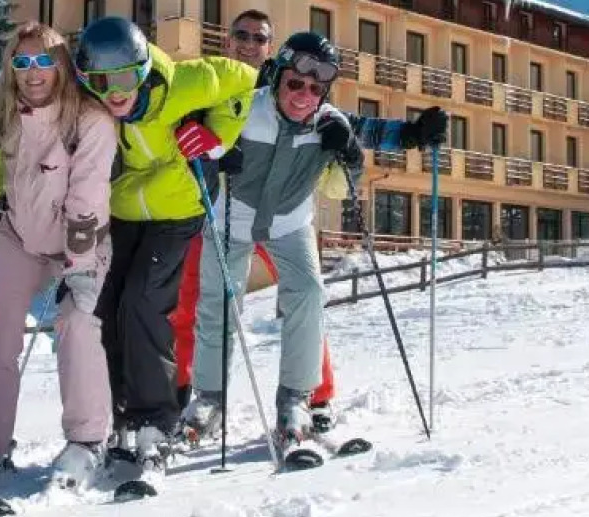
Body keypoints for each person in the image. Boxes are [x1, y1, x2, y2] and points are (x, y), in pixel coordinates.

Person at [180, 32, 448, 457]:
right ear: (277, 77)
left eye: (314, 88)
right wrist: (208, 143)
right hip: (233, 218)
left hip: (290, 223)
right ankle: (209, 400)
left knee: (307, 294)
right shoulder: (244, 107)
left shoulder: (328, 122)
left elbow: (374, 134)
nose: (303, 95)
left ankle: (296, 400)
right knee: (218, 303)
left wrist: (408, 136)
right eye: (294, 83)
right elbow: (189, 118)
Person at [73, 15, 258, 491]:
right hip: (125, 208)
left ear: (142, 69)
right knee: (106, 307)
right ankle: (119, 415)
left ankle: (157, 420)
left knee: (143, 301)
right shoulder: (92, 103)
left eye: (124, 79)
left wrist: (217, 138)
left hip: (179, 206)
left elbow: (245, 79)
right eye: (100, 82)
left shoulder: (184, 82)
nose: (114, 93)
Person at [0, 23, 118, 489]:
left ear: (61, 65)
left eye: (44, 61)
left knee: (76, 324)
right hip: (20, 237)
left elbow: (87, 196)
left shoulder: (91, 119)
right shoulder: (5, 111)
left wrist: (78, 265)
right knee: (0, 333)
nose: (34, 72)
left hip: (82, 242)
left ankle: (87, 440)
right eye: (23, 62)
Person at [170, 10, 341, 430]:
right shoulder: (213, 83)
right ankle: (191, 390)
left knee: (304, 295)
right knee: (197, 299)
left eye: (259, 38)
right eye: (241, 35)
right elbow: (180, 121)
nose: (249, 44)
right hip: (218, 209)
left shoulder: (288, 88)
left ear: (271, 48)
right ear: (228, 41)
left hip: (280, 214)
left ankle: (315, 395)